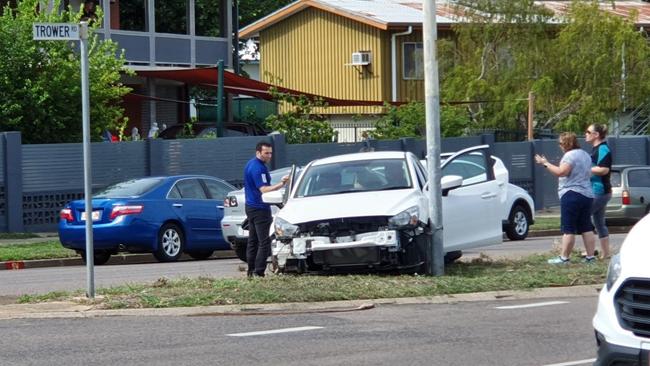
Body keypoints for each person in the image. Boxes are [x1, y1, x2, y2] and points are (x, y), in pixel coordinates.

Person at [535, 132, 597, 264]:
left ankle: (564, 258)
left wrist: (545, 163)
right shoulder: (585, 154)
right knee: (586, 227)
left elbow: (561, 172)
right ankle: (590, 257)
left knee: (569, 229)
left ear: (567, 143)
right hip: (587, 194)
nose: (560, 146)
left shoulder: (569, 156)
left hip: (571, 193)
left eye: (561, 143)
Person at [243, 141, 288, 277]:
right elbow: (264, 189)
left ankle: (251, 271)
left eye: (270, 153)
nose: (269, 156)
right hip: (260, 208)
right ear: (258, 153)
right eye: (266, 153)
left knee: (253, 241)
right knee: (264, 242)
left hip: (250, 207)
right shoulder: (259, 168)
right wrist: (282, 184)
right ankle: (259, 271)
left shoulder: (250, 164)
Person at [585, 123, 612, 259]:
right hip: (596, 190)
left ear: (596, 135)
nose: (586, 134)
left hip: (600, 191)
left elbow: (604, 169)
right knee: (599, 222)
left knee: (583, 216)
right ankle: (606, 253)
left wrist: (585, 169)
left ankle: (590, 251)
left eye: (588, 132)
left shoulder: (603, 148)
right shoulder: (595, 149)